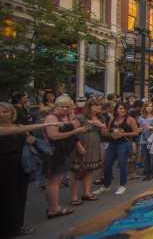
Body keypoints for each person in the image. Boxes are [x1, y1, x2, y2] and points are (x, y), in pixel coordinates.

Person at [0, 102, 64, 236]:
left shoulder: (20, 126)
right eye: (0, 111)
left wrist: (31, 139)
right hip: (4, 165)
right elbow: (12, 131)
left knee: (19, 195)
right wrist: (46, 124)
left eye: (5, 111)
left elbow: (29, 137)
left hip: (21, 165)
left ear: (12, 113)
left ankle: (16, 226)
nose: (2, 114)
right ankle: (6, 228)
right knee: (6, 196)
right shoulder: (12, 128)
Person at [43, 95, 88, 218]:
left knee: (57, 179)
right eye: (62, 106)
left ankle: (54, 207)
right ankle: (53, 209)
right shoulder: (51, 117)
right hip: (53, 152)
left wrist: (79, 146)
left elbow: (74, 132)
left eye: (67, 106)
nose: (64, 108)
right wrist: (75, 131)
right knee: (53, 181)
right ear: (56, 106)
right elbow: (53, 136)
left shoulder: (69, 116)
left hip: (65, 150)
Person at [94, 103, 139, 196]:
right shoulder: (112, 119)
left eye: (124, 109)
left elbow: (136, 132)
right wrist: (107, 131)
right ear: (116, 110)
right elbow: (107, 132)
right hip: (112, 143)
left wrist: (123, 134)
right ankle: (106, 185)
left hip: (124, 144)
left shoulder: (130, 119)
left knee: (122, 164)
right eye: (120, 109)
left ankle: (122, 185)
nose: (122, 110)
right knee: (107, 164)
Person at [69, 99, 105, 205]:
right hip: (81, 144)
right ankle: (74, 196)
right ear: (89, 106)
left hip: (94, 145)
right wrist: (79, 146)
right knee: (76, 170)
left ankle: (87, 192)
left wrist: (100, 125)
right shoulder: (80, 117)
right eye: (96, 104)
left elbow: (104, 133)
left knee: (89, 169)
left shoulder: (101, 118)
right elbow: (72, 132)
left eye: (99, 105)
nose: (98, 107)